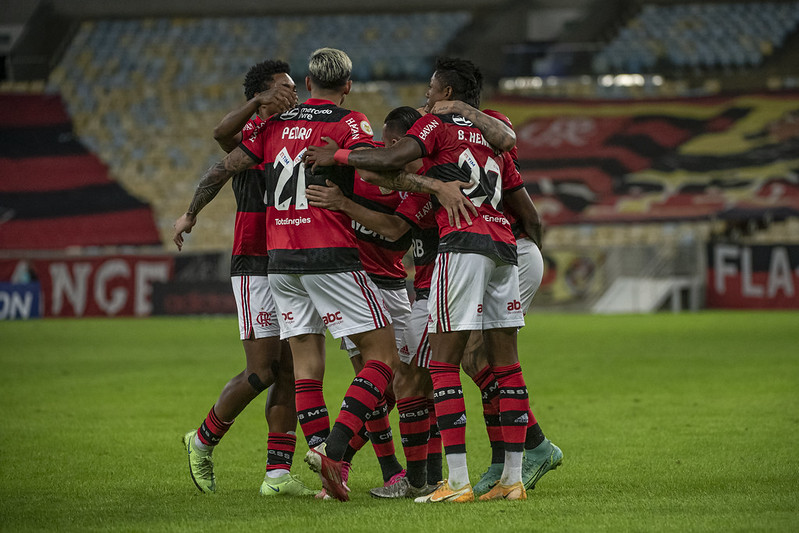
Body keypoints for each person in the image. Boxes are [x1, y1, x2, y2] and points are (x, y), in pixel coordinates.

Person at [174, 48, 475, 502]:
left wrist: (190, 214)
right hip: (327, 254)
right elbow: (384, 169)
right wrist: (434, 184)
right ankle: (334, 451)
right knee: (382, 358)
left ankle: (317, 463)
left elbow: (223, 167)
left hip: (280, 262)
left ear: (308, 83)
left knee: (304, 366)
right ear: (348, 87)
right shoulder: (349, 123)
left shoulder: (274, 127)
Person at [304, 56, 551, 502]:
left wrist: (337, 154)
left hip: (464, 245)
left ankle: (453, 482)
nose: (427, 98)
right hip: (505, 247)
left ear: (448, 94)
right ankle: (512, 480)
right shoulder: (492, 137)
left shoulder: (436, 127)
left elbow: (394, 159)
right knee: (506, 367)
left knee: (443, 364)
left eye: (432, 90)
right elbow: (528, 211)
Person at [172, 60, 315, 496]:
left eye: (295, 88)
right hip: (254, 263)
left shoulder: (297, 134)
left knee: (290, 370)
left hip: (291, 262)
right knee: (262, 370)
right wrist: (191, 213)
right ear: (263, 94)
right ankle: (202, 439)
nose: (294, 94)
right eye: (284, 88)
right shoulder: (252, 136)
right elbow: (219, 147)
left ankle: (277, 475)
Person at [428, 101, 564, 496]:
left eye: (433, 90)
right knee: (481, 358)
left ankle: (526, 450)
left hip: (506, 252)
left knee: (472, 355)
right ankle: (512, 460)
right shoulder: (480, 136)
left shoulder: (467, 137)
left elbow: (531, 216)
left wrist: (526, 255)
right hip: (503, 251)